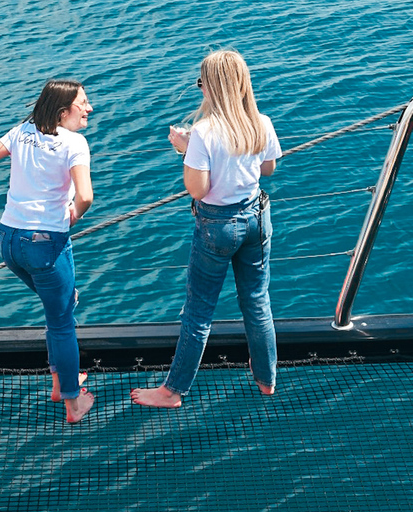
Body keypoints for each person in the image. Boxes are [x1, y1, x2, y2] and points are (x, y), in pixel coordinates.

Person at [131, 50, 282, 408]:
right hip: (257, 219)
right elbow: (268, 169)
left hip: (217, 226)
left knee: (198, 311)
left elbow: (198, 189)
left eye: (201, 83)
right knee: (258, 302)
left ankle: (172, 391)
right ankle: (266, 379)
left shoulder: (202, 132)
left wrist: (186, 149)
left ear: (210, 87)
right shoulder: (260, 121)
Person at [0, 79, 95, 423]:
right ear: (64, 112)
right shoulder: (74, 143)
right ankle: (73, 403)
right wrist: (72, 215)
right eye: (83, 104)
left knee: (59, 307)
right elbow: (86, 196)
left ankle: (62, 379)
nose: (89, 108)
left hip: (9, 241)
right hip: (45, 245)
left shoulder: (22, 131)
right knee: (62, 320)